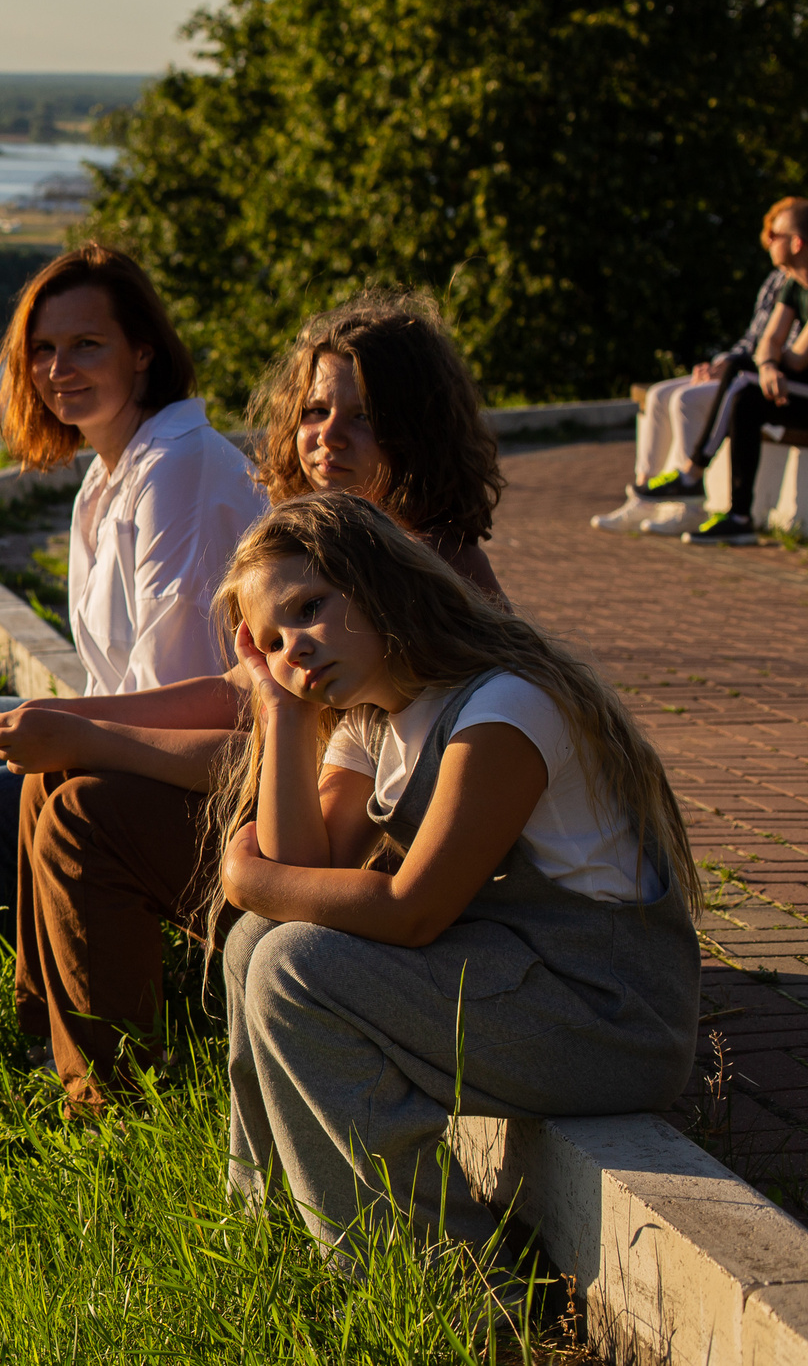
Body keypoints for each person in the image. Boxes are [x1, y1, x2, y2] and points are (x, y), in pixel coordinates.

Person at [0, 290, 509, 1109]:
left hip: (364, 881)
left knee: (84, 810)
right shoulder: (336, 543)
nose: (326, 436)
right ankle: (45, 1041)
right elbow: (243, 689)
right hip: (308, 823)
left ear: (417, 430)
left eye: (363, 417)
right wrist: (80, 721)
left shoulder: (417, 579)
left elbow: (287, 751)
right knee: (48, 777)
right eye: (313, 410)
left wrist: (96, 742)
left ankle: (110, 1102)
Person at [215, 493, 699, 1265]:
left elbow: (414, 910)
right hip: (520, 978)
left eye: (310, 607)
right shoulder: (377, 715)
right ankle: (269, 1224)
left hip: (610, 1014)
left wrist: (246, 872)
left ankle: (456, 1281)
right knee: (255, 942)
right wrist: (280, 712)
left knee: (291, 964)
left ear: (378, 581)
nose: (293, 649)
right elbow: (309, 872)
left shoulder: (504, 704)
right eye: (271, 641)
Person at [0, 244, 261, 970]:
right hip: (131, 737)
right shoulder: (109, 475)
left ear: (142, 352)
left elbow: (189, 699)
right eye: (42, 350)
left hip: (197, 776)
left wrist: (68, 731)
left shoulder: (178, 471)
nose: (58, 369)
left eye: (86, 344)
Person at [601, 197, 808, 540]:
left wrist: (766, 363)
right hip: (793, 388)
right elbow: (770, 340)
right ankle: (739, 518)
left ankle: (692, 475)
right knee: (745, 403)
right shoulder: (792, 284)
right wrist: (768, 363)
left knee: (741, 373)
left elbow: (799, 359)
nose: (768, 240)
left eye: (776, 235)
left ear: (797, 242)